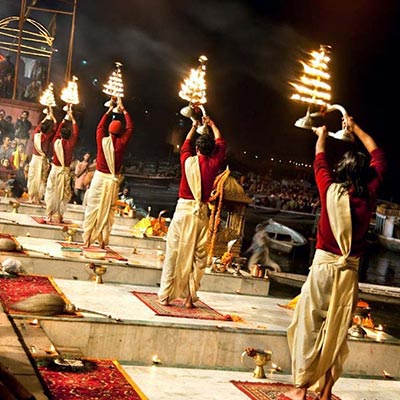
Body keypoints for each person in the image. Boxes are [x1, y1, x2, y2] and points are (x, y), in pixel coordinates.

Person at [285, 115, 386, 400]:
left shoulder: (330, 190)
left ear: (341, 172)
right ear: (366, 175)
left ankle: (301, 388)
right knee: (337, 333)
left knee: (309, 326)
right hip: (349, 273)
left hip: (324, 270)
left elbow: (320, 158)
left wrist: (322, 134)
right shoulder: (370, 195)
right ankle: (327, 391)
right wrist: (355, 128)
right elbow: (377, 152)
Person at [158, 116, 226, 308]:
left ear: (197, 149)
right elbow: (221, 143)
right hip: (200, 216)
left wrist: (193, 126)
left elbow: (186, 143)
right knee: (198, 258)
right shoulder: (213, 164)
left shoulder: (187, 160)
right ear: (211, 151)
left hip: (182, 213)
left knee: (173, 253)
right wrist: (212, 125)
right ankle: (189, 298)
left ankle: (165, 296)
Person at [82, 98, 133, 248]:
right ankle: (103, 240)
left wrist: (109, 111)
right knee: (109, 211)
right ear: (120, 132)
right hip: (112, 180)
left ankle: (87, 239)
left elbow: (99, 127)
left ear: (109, 131)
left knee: (93, 208)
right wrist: (123, 110)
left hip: (99, 178)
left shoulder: (102, 141)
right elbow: (130, 128)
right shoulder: (121, 143)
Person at [44, 110, 79, 223]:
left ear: (60, 135)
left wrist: (63, 121)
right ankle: (59, 216)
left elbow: (57, 132)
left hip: (55, 170)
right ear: (69, 136)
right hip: (65, 172)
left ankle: (49, 214)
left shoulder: (56, 142)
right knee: (63, 195)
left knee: (51, 191)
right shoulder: (70, 144)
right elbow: (76, 133)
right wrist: (72, 119)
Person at [26, 110, 57, 204]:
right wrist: (52, 117)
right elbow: (55, 128)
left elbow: (38, 127)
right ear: (48, 130)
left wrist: (46, 117)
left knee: (33, 178)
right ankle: (37, 198)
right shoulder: (48, 136)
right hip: (42, 160)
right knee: (41, 179)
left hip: (35, 159)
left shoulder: (36, 135)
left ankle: (31, 197)